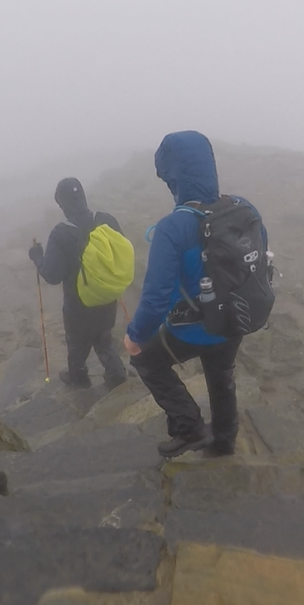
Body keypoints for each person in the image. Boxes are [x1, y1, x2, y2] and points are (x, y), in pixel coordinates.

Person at [124, 131, 268, 458]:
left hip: (193, 329)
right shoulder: (244, 207)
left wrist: (135, 335)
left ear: (174, 176)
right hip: (236, 317)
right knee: (221, 376)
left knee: (146, 359)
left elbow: (157, 297)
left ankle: (190, 429)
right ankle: (224, 442)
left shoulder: (173, 228)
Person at [29, 177, 128, 389]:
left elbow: (52, 275)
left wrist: (38, 257)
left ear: (62, 203)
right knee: (104, 336)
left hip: (78, 303)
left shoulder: (61, 233)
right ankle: (116, 372)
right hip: (107, 294)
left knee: (77, 342)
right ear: (82, 197)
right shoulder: (106, 220)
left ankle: (79, 377)